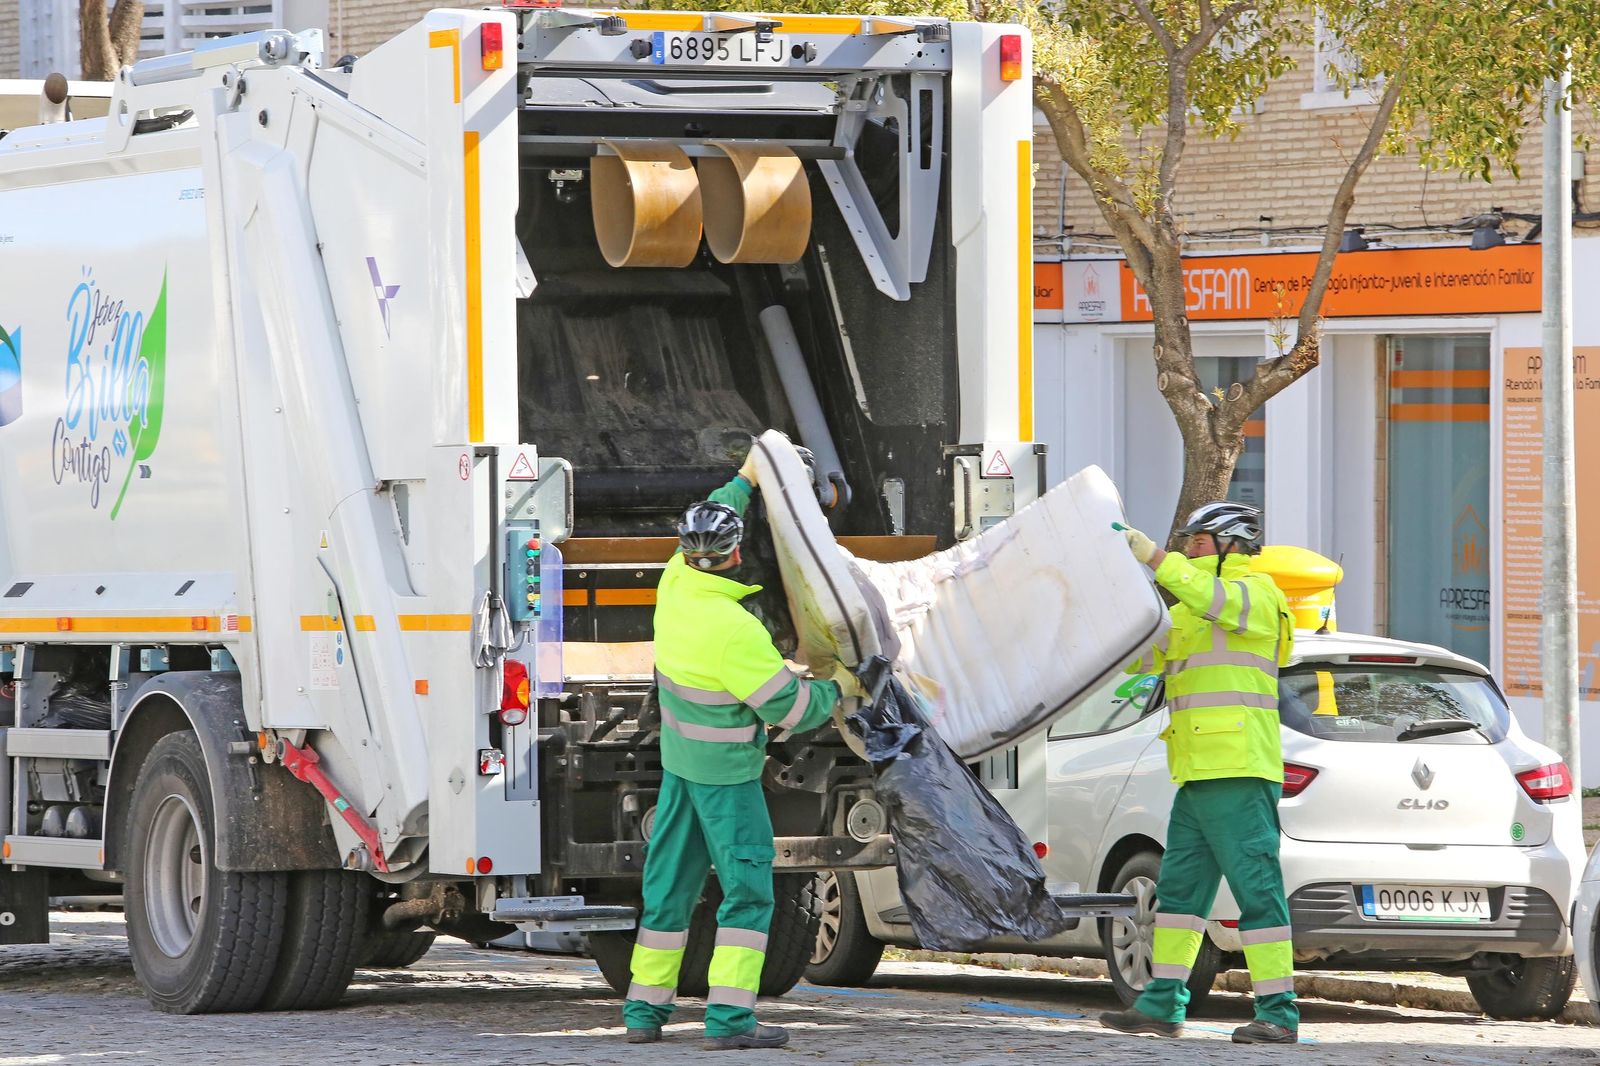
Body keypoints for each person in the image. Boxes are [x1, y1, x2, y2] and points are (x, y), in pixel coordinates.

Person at [622, 449, 863, 1051]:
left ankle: (644, 1014)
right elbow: (792, 709)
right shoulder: (736, 631)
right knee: (749, 894)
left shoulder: (675, 584)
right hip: (727, 780)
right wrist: (841, 685)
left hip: (680, 769)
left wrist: (744, 479)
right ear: (736, 556)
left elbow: (713, 512)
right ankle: (730, 1021)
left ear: (687, 550)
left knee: (668, 891)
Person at [1099, 501, 1299, 1045]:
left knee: (1257, 891)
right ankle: (1162, 1003)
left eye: (1199, 540)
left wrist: (1153, 557)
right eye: (1186, 541)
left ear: (1233, 544)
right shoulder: (1190, 608)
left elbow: (1211, 597)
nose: (1189, 548)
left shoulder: (1256, 594)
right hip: (1195, 774)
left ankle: (1278, 1012)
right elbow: (1139, 658)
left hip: (1238, 770)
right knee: (1180, 894)